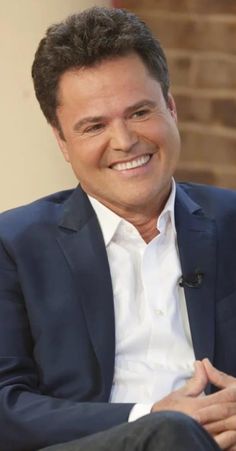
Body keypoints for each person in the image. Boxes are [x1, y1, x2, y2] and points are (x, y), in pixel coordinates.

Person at [1, 6, 236, 451]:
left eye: (140, 112)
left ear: (171, 107)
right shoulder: (12, 246)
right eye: (94, 126)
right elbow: (4, 405)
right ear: (61, 141)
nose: (125, 141)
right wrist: (152, 418)